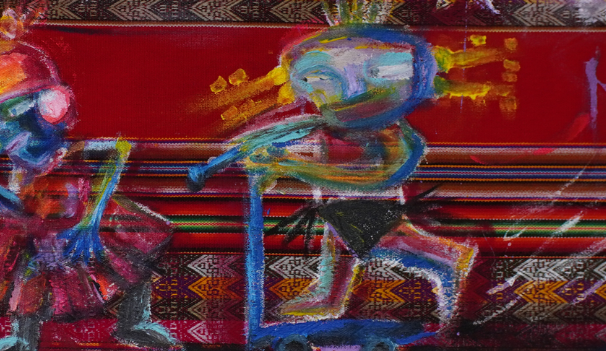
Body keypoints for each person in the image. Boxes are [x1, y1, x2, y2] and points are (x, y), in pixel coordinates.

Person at [0, 10, 179, 351]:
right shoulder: (21, 169)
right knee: (27, 281)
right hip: (45, 238)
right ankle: (24, 340)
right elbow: (18, 208)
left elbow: (119, 149)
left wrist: (92, 219)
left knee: (130, 258)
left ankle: (134, 322)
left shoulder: (65, 152)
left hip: (85, 222)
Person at [196, 24, 477, 328]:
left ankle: (448, 258)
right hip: (343, 199)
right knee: (341, 235)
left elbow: (363, 172)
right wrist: (265, 156)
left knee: (384, 238)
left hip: (367, 198)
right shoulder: (330, 126)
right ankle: (330, 295)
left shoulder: (382, 133)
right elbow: (289, 139)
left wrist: (288, 165)